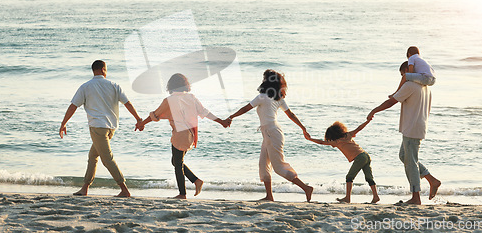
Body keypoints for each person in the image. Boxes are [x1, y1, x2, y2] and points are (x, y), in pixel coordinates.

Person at [136, 73, 231, 199]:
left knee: (178, 164)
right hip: (190, 134)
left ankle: (182, 193)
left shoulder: (169, 100)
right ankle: (196, 181)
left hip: (180, 135)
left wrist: (142, 123)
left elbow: (155, 115)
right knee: (175, 161)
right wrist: (221, 121)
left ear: (171, 86)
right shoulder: (192, 98)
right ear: (186, 85)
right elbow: (205, 112)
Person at [59, 60, 142, 197]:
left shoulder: (86, 87)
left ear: (94, 70)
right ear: (103, 69)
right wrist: (138, 119)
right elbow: (128, 103)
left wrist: (63, 123)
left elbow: (73, 106)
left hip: (97, 128)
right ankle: (85, 188)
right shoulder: (114, 85)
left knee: (107, 159)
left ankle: (124, 189)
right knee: (93, 156)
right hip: (111, 129)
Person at [228, 69, 314, 202]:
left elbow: (246, 108)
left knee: (279, 167)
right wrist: (303, 128)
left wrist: (231, 117)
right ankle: (269, 196)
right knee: (263, 165)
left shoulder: (262, 97)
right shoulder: (278, 97)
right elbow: (290, 114)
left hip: (272, 134)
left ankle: (306, 188)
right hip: (270, 134)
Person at [368, 61, 441, 205]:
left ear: (409, 70)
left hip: (412, 128)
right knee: (404, 156)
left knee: (411, 162)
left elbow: (391, 102)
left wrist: (373, 110)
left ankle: (416, 197)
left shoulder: (410, 85)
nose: (403, 78)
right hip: (418, 126)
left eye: (403, 74)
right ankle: (432, 180)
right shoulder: (425, 86)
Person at [305, 120, 380, 204]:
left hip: (360, 158)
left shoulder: (337, 142)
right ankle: (375, 196)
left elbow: (321, 142)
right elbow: (359, 128)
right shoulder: (348, 135)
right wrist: (368, 120)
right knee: (369, 178)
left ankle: (347, 198)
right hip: (365, 155)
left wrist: (310, 139)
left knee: (349, 177)